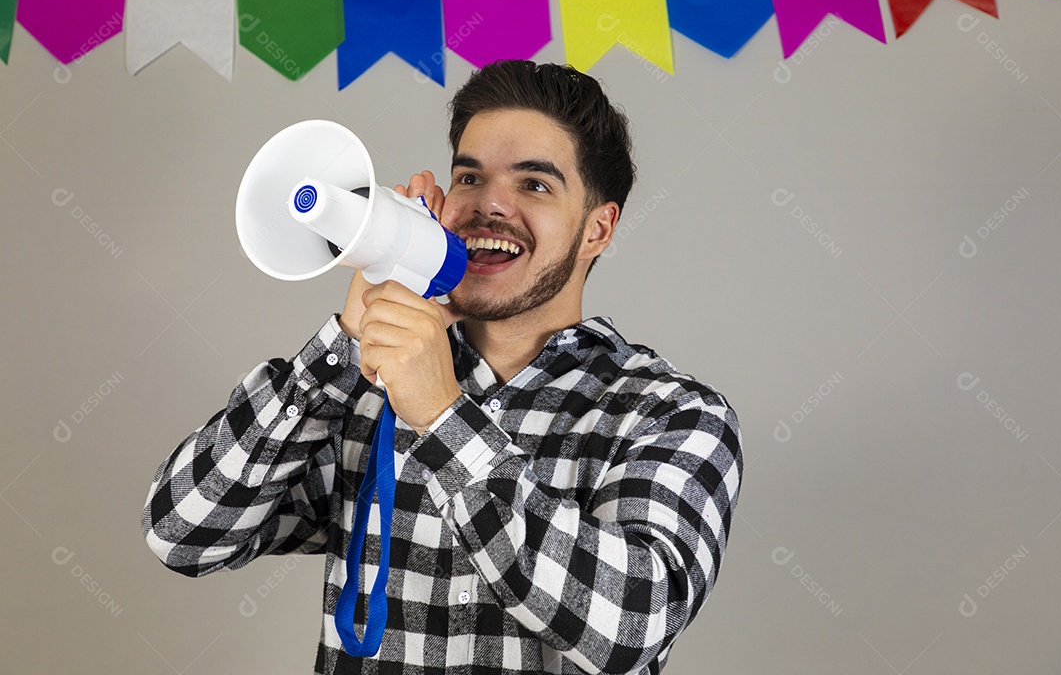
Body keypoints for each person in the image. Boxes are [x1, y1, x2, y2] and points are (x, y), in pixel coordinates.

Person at [143, 59, 743, 675]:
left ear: (597, 228)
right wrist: (344, 343)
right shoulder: (364, 389)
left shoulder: (672, 413)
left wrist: (441, 417)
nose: (490, 206)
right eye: (469, 177)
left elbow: (632, 626)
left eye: (534, 185)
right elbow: (182, 532)